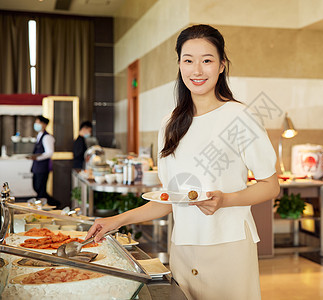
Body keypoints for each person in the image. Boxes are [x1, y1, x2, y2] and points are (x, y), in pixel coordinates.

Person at [86, 24, 280, 299]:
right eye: (188, 61)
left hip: (229, 247)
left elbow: (270, 186)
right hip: (183, 248)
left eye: (207, 61)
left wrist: (224, 199)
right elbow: (168, 199)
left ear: (222, 65)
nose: (197, 71)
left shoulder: (240, 117)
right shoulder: (170, 123)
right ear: (179, 64)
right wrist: (116, 221)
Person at [27, 115, 57, 206]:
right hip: (37, 166)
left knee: (40, 189)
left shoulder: (47, 137)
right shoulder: (39, 135)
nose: (36, 124)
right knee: (37, 188)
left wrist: (37, 157)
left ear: (44, 124)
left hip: (43, 167)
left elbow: (49, 153)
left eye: (38, 122)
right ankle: (53, 203)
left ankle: (51, 204)